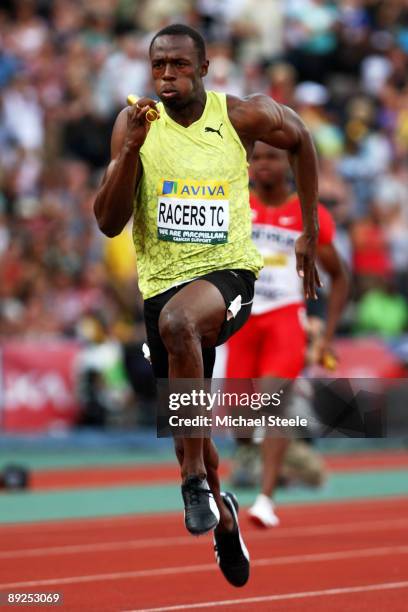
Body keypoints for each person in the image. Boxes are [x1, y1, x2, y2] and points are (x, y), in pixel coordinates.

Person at [93, 24, 321, 587]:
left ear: (204, 67)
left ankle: (194, 481)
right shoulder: (134, 124)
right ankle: (222, 514)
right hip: (161, 288)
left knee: (181, 324)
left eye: (178, 64)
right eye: (158, 66)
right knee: (188, 430)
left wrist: (310, 231)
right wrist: (129, 154)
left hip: (228, 276)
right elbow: (107, 221)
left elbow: (303, 141)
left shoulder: (240, 116)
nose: (167, 75)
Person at [226, 142, 349, 527]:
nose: (263, 164)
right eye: (257, 158)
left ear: (290, 164)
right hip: (243, 321)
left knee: (271, 402)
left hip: (284, 320)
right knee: (239, 419)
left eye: (272, 157)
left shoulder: (308, 214)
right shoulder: (235, 206)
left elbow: (341, 276)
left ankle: (265, 499)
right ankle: (282, 459)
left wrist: (326, 337)